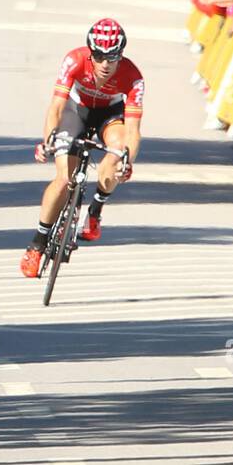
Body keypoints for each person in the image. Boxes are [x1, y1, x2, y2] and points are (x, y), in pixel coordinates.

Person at [20, 20, 143, 278]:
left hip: (110, 115)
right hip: (77, 111)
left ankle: (95, 210)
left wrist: (127, 160)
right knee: (64, 178)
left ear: (121, 55)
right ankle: (37, 244)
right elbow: (55, 108)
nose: (105, 64)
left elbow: (132, 130)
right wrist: (48, 142)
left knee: (118, 151)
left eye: (112, 57)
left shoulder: (133, 77)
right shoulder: (74, 60)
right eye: (98, 56)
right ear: (90, 53)